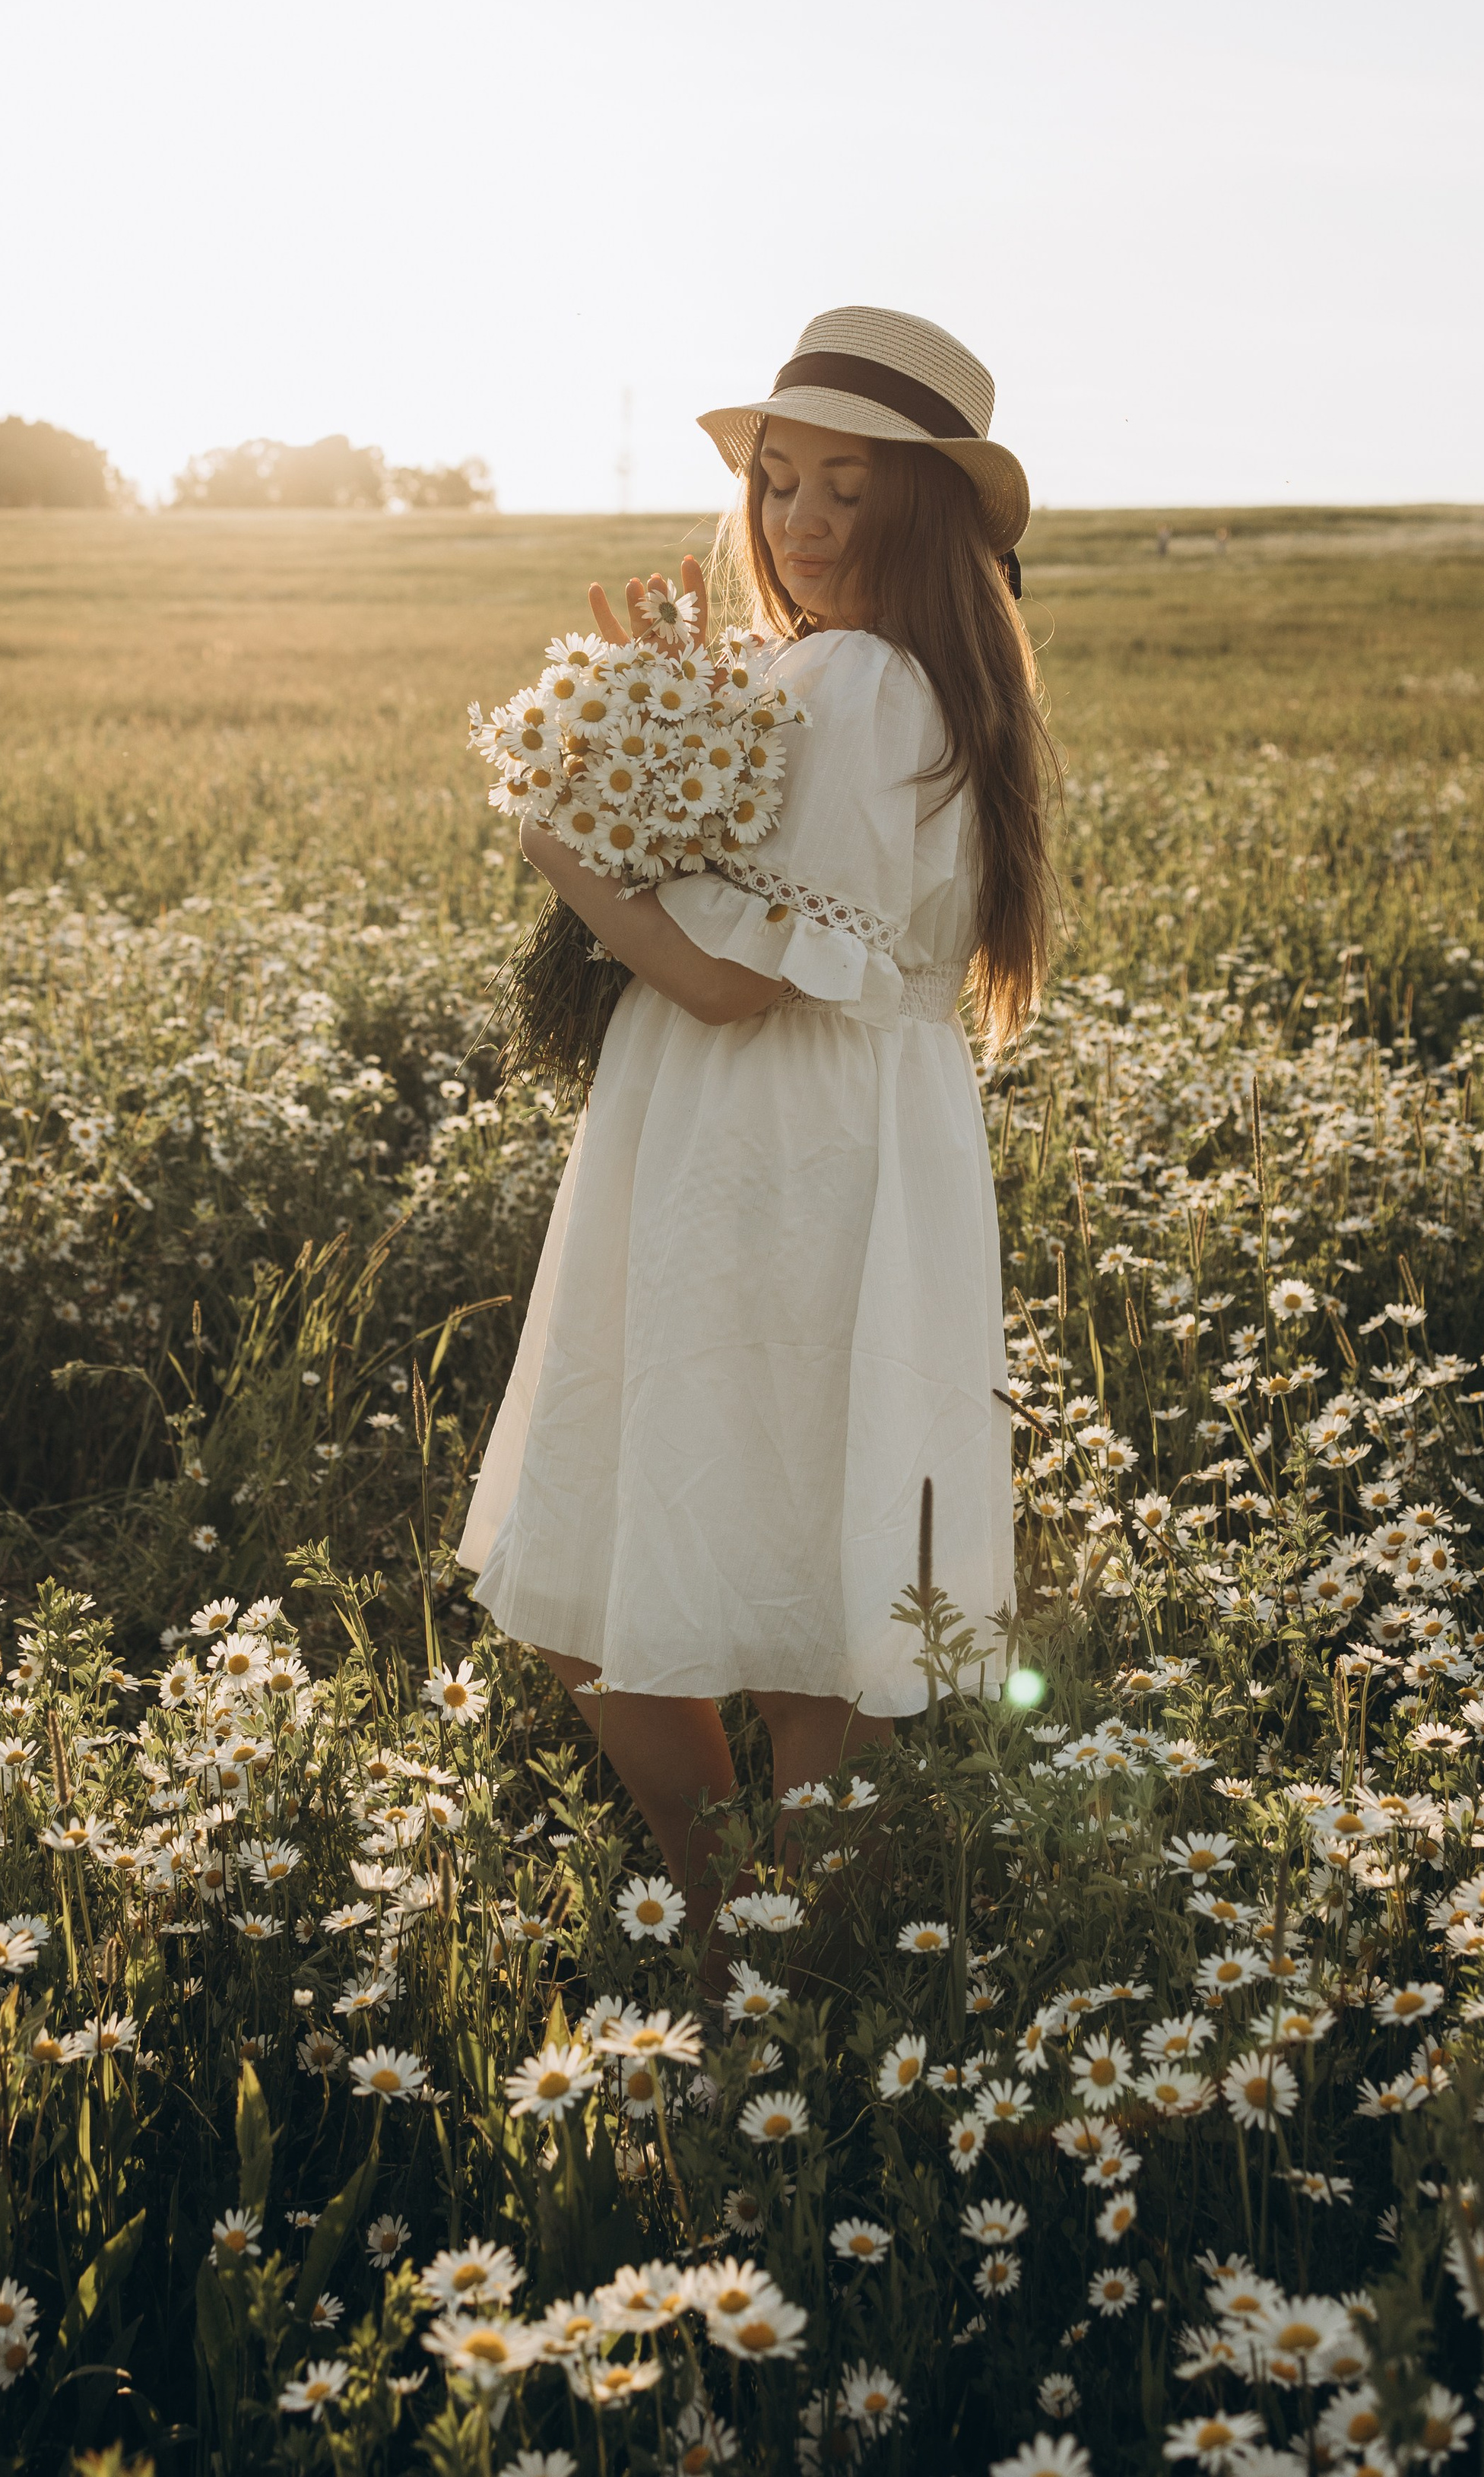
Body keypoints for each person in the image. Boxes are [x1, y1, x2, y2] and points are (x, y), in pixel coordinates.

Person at [458, 305, 1057, 1952]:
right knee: (814, 1545)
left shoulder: (860, 680)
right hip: (833, 1147)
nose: (798, 519)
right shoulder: (884, 679)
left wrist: (565, 843)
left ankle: (737, 1921)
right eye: (780, 481)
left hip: (770, 1150)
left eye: (847, 489)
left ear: (921, 510)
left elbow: (724, 984)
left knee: (634, 1527)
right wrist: (669, 717)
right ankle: (779, 1941)